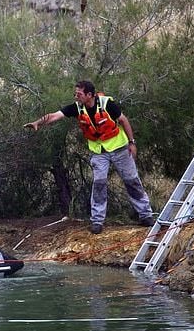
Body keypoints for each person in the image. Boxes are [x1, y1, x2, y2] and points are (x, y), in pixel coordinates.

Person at [23, 80, 154, 234]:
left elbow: (123, 120)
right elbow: (54, 116)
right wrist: (37, 122)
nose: (76, 96)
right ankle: (97, 221)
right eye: (75, 93)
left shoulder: (107, 104)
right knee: (99, 184)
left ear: (89, 95)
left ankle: (146, 215)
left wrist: (132, 143)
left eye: (79, 94)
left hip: (120, 149)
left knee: (132, 181)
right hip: (99, 153)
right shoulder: (77, 108)